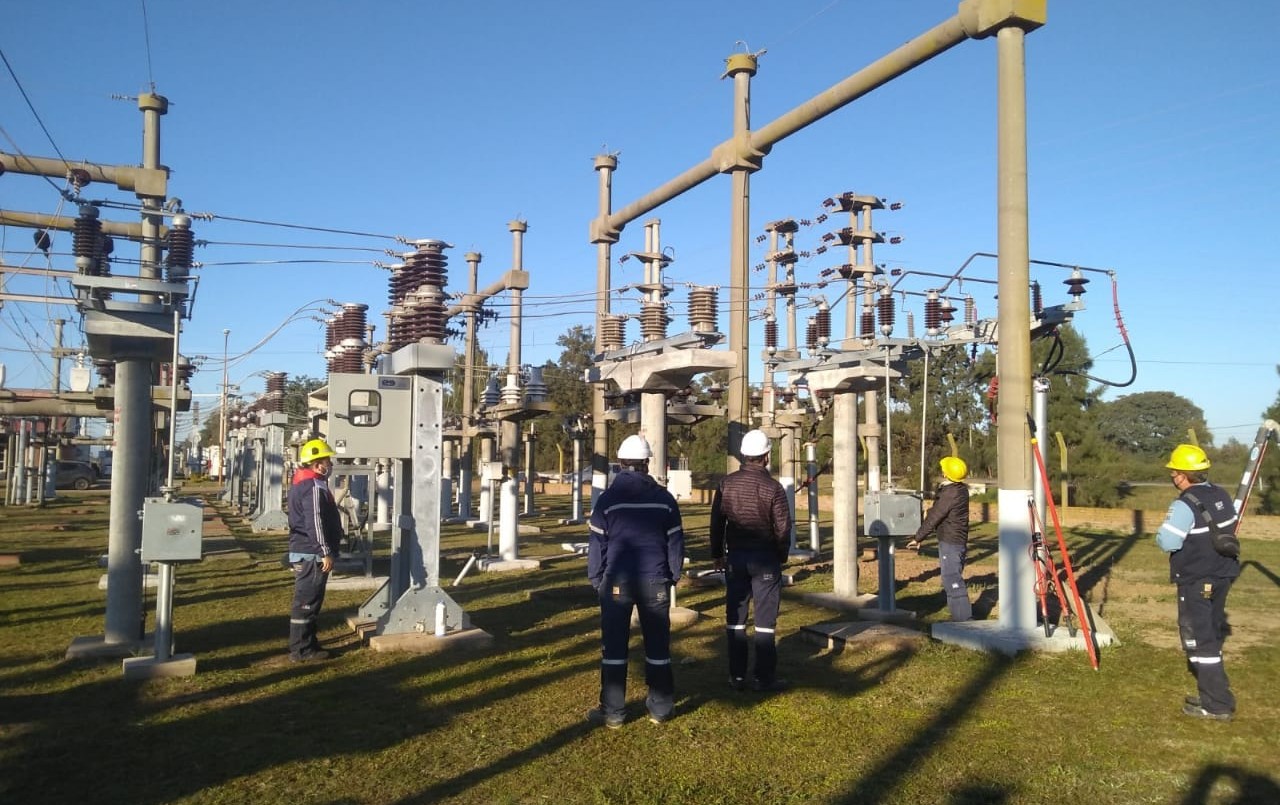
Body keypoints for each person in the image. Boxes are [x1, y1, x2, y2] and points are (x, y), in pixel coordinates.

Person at [586, 434, 685, 728]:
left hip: (617, 581)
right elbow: (675, 543)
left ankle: (614, 712)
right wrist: (672, 576)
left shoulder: (608, 500)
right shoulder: (665, 500)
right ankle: (661, 709)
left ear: (620, 463)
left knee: (614, 648)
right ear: (647, 463)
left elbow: (597, 545)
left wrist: (597, 580)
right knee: (658, 646)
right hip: (655, 580)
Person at [1156, 443, 1240, 721]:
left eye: (1174, 472)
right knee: (1211, 634)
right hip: (1224, 573)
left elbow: (1167, 540)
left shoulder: (1184, 504)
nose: (1172, 477)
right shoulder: (1222, 495)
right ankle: (1211, 695)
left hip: (1197, 578)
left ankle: (1216, 704)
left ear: (1182, 475)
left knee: (1201, 640)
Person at [709, 428, 792, 693]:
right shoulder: (774, 488)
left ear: (744, 455)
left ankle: (737, 676)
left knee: (736, 619)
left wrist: (717, 554)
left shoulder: (726, 484)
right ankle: (763, 677)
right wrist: (781, 555)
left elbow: (716, 523)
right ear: (767, 455)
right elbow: (783, 528)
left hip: (736, 559)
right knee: (766, 624)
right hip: (765, 559)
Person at [286, 437, 345, 663]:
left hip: (307, 550)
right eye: (326, 460)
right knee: (307, 602)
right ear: (317, 464)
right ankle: (302, 650)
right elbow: (315, 522)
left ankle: (308, 643)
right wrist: (324, 551)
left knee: (311, 601)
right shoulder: (311, 487)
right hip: (312, 553)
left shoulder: (307, 483)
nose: (329, 464)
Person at [907, 456, 972, 622]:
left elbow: (935, 516)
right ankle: (958, 617)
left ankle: (964, 620)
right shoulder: (959, 489)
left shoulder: (950, 494)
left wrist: (918, 537)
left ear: (947, 473)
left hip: (951, 541)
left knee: (952, 578)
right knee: (950, 577)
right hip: (955, 539)